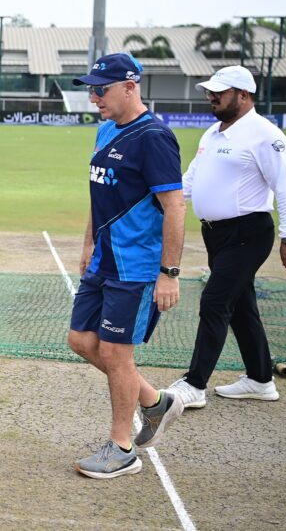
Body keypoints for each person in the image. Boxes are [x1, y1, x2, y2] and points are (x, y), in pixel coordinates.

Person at [66, 53, 186, 479]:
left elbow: (174, 207)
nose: (94, 97)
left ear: (130, 87)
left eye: (102, 89)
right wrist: (87, 244)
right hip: (103, 261)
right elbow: (100, 197)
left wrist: (168, 274)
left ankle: (122, 448)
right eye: (92, 89)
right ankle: (155, 401)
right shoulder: (103, 129)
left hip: (136, 268)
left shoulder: (154, 137)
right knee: (81, 341)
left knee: (117, 354)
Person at [165, 66, 286, 408]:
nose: (211, 97)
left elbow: (285, 186)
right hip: (216, 235)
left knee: (214, 301)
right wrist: (159, 202)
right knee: (242, 306)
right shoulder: (213, 133)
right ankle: (260, 380)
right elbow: (191, 180)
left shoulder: (265, 135)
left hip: (249, 233)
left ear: (243, 95)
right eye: (210, 91)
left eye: (219, 92)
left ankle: (194, 385)